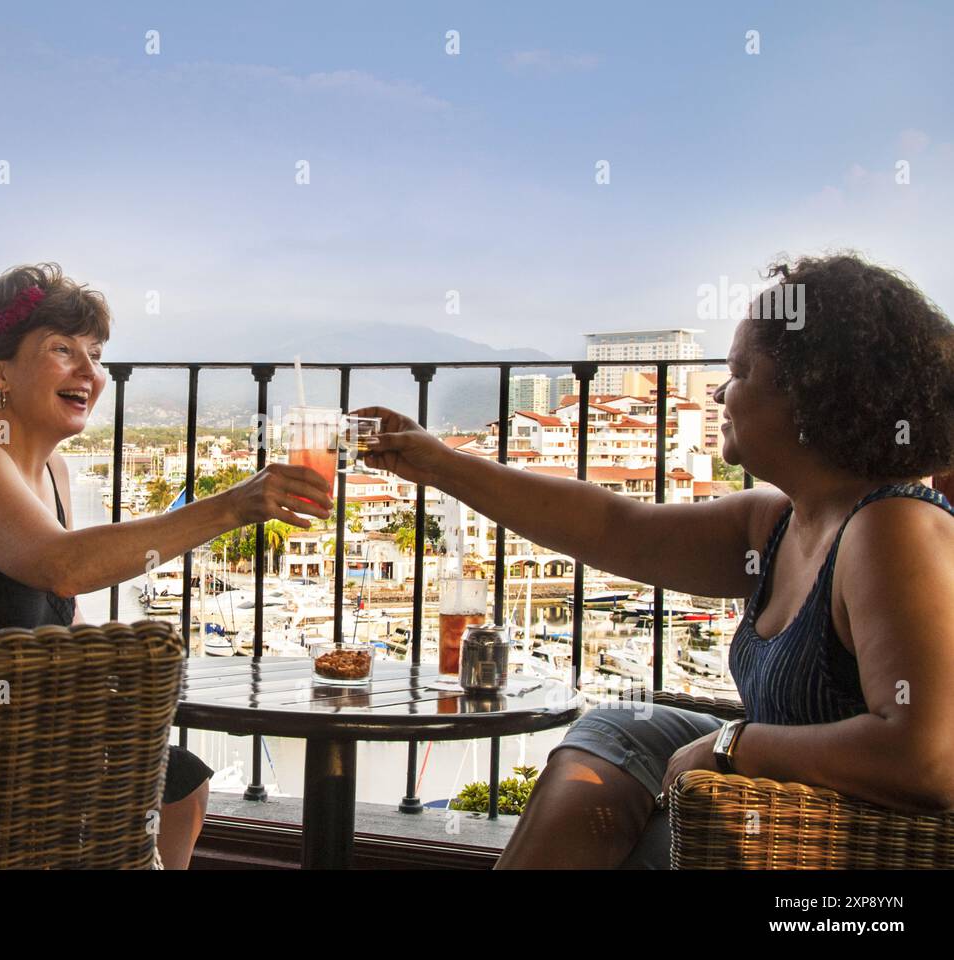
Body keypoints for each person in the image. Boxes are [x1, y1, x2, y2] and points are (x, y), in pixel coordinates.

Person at [354, 252, 954, 868]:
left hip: (841, 846)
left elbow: (926, 756)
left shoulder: (892, 528)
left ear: (813, 390)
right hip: (778, 799)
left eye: (741, 370)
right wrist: (438, 464)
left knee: (631, 807)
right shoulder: (778, 521)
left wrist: (731, 747)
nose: (721, 390)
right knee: (617, 728)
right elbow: (615, 527)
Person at [0, 263, 334, 869]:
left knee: (177, 781)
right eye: (61, 349)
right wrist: (237, 504)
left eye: (95, 354)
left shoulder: (52, 473)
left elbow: (53, 618)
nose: (89, 373)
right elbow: (62, 568)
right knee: (137, 791)